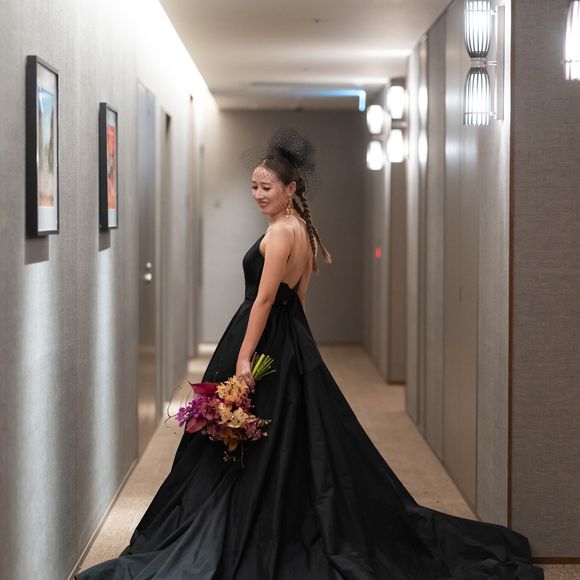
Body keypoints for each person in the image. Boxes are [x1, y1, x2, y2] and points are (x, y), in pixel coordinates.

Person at [76, 128, 544, 579]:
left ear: (290, 189)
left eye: (266, 188)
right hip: (289, 337)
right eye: (253, 187)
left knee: (247, 439)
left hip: (261, 336)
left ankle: (241, 526)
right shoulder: (303, 230)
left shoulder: (281, 233)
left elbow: (264, 299)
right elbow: (298, 300)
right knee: (287, 436)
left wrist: (244, 358)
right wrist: (291, 343)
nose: (258, 195)